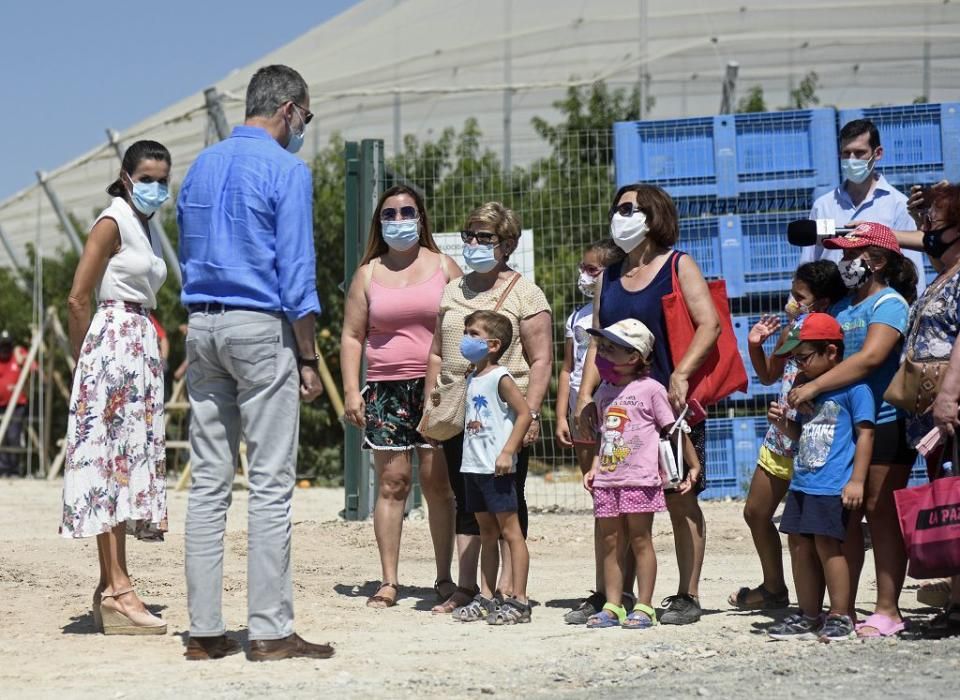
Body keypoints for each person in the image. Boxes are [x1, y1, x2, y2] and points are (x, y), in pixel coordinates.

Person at [177, 64, 332, 662]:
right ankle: (269, 629)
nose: (303, 129)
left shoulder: (200, 166)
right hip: (258, 325)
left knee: (209, 482)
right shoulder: (287, 169)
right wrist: (309, 354)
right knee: (270, 483)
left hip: (203, 324)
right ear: (289, 109)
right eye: (306, 118)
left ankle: (205, 630)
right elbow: (295, 273)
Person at [575, 184, 721, 626]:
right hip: (619, 409)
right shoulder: (609, 276)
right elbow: (598, 340)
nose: (619, 216)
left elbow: (708, 324)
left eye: (628, 209)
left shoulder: (678, 265)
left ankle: (687, 594)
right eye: (617, 208)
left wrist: (680, 373)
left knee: (680, 498)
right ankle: (615, 595)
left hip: (668, 405)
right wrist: (584, 395)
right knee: (617, 502)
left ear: (652, 215)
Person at [59, 139, 171, 635]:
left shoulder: (144, 227)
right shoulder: (112, 222)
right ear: (126, 177)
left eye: (162, 178)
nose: (156, 186)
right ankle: (118, 588)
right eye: (147, 177)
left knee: (125, 463)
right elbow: (78, 297)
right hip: (112, 347)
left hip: (138, 345)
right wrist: (88, 363)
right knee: (111, 464)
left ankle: (112, 584)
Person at [788, 222, 917, 638]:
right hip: (838, 429)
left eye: (850, 254)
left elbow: (870, 359)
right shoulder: (842, 308)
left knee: (880, 514)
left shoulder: (889, 304)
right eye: (842, 255)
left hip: (882, 421)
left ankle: (887, 609)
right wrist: (802, 390)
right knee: (843, 521)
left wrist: (815, 385)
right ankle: (842, 609)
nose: (843, 262)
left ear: (876, 261)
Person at [425, 202, 552, 614]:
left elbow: (541, 361)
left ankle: (514, 591)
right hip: (459, 411)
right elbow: (436, 354)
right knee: (468, 498)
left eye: (485, 237)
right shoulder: (452, 290)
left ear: (507, 244)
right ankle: (471, 589)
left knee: (508, 501)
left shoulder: (527, 294)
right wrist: (433, 403)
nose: (474, 244)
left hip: (503, 417)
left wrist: (529, 415)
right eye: (469, 235)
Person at [340, 184, 462, 609]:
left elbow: (468, 324)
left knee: (437, 484)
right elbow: (353, 336)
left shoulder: (445, 267)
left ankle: (444, 577)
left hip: (437, 389)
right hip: (385, 390)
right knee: (393, 482)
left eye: (406, 212)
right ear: (379, 222)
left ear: (421, 217)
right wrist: (352, 391)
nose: (398, 221)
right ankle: (389, 581)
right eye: (389, 214)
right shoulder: (368, 273)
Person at [729, 261, 847, 610]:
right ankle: (774, 588)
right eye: (792, 294)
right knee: (755, 512)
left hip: (813, 440)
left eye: (800, 296)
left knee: (810, 531)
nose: (791, 302)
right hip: (780, 437)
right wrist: (755, 346)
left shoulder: (831, 335)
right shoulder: (791, 330)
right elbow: (768, 376)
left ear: (822, 301)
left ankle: (828, 605)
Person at [582, 319, 699, 629]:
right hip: (608, 480)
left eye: (610, 349)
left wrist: (693, 465)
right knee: (610, 541)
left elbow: (673, 428)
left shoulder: (651, 389)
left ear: (633, 357)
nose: (602, 354)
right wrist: (595, 466)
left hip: (640, 480)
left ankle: (645, 606)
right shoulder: (604, 391)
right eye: (602, 347)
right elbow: (603, 435)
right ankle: (613, 604)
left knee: (639, 539)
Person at [767, 313, 874, 641]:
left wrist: (857, 480)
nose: (798, 366)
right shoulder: (805, 390)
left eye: (803, 358)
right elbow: (806, 434)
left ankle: (841, 614)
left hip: (832, 485)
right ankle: (808, 613)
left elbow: (866, 434)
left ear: (831, 352)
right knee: (798, 544)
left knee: (830, 546)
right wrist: (784, 425)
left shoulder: (854, 389)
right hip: (803, 481)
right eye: (794, 359)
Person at [899, 183, 960, 639]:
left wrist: (948, 396)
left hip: (953, 409)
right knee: (953, 501)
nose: (927, 233)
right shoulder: (943, 274)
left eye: (935, 226)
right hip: (934, 419)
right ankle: (957, 599)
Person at [556, 239, 627, 624]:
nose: (584, 276)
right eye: (582, 268)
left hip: (613, 409)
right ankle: (603, 589)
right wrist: (561, 414)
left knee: (622, 501)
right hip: (580, 412)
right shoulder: (577, 317)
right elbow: (568, 367)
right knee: (599, 500)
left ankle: (623, 586)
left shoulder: (619, 315)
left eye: (593, 270)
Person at [451, 310, 533, 624]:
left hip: (497, 469)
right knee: (486, 532)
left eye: (473, 333)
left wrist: (508, 451)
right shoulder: (472, 376)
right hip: (473, 467)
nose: (466, 339)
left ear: (494, 344)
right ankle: (486, 596)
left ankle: (520, 601)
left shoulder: (501, 377)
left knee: (511, 533)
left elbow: (524, 414)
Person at [799, 118, 927, 296]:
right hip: (834, 307)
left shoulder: (897, 204)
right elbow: (809, 261)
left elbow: (912, 266)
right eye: (846, 153)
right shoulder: (823, 206)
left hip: (879, 308)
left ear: (878, 153)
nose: (852, 160)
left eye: (859, 153)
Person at [0, 331, 29, 477]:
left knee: (13, 435)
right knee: (2, 436)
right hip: (1, 405)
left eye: (7, 345)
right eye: (2, 345)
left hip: (17, 405)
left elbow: (34, 369)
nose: (5, 349)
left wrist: (22, 359)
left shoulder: (18, 355)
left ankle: (14, 469)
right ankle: (3, 469)